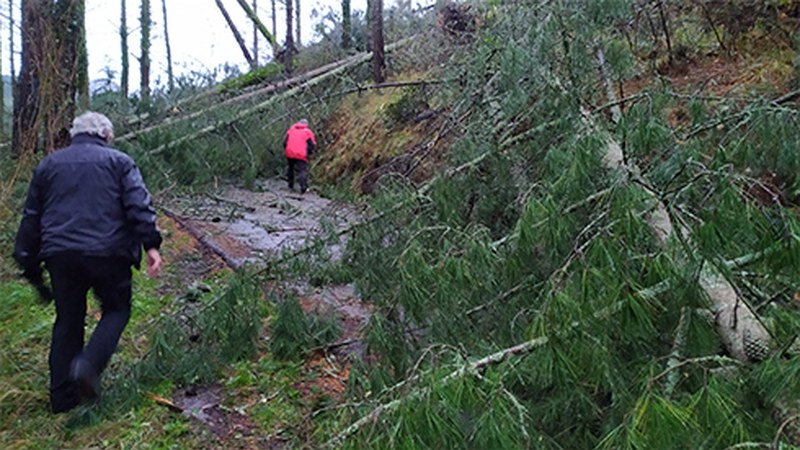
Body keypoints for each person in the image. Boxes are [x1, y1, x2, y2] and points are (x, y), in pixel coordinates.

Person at [13, 111, 163, 414]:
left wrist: (27, 259)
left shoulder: (49, 165)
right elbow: (138, 204)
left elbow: (32, 217)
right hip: (109, 253)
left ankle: (61, 399)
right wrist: (151, 244)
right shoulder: (120, 162)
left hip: (60, 255)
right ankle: (88, 365)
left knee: (68, 320)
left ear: (74, 135)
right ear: (106, 135)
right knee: (117, 309)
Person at [283, 119, 317, 194]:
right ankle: (303, 187)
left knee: (290, 168)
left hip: (290, 152)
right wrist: (309, 153)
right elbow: (312, 144)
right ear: (306, 125)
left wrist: (287, 150)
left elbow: (285, 142)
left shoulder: (291, 130)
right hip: (301, 153)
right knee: (302, 170)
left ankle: (290, 184)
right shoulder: (308, 132)